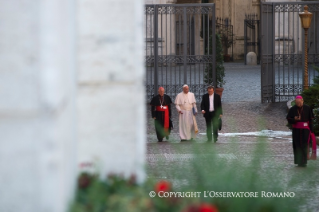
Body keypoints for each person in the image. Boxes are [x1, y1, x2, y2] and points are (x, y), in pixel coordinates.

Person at [286, 95, 315, 167]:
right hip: (296, 131)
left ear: (302, 101)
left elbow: (311, 120)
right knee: (297, 145)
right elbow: (289, 119)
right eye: (296, 102)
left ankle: (304, 161)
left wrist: (311, 131)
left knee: (305, 145)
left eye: (299, 102)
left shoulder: (307, 108)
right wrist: (294, 119)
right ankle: (299, 161)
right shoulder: (293, 109)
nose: (298, 104)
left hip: (305, 131)